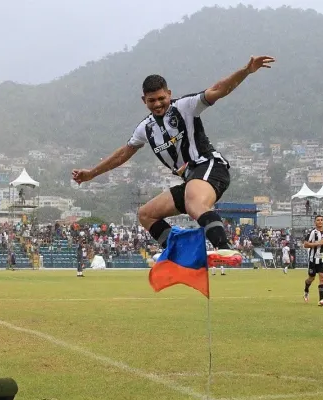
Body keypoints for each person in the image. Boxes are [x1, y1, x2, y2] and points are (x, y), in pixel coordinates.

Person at [71, 55, 275, 268]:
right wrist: (91, 173)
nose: (158, 104)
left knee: (194, 200)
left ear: (169, 94)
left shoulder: (185, 106)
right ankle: (180, 252)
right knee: (146, 214)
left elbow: (219, 89)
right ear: (144, 101)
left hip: (210, 166)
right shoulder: (145, 128)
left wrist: (246, 70)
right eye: (152, 100)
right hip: (191, 182)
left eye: (161, 98)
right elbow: (123, 153)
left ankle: (224, 247)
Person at [303, 216, 323, 306]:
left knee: (322, 277)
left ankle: (321, 300)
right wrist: (318, 243)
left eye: (321, 220)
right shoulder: (312, 232)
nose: (320, 221)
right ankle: (306, 289)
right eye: (318, 220)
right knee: (311, 278)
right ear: (315, 222)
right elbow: (305, 245)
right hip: (313, 259)